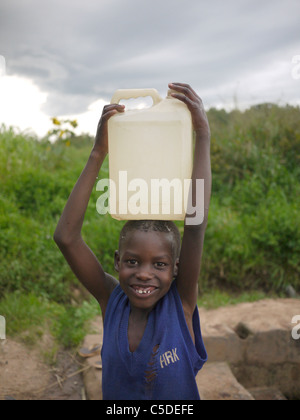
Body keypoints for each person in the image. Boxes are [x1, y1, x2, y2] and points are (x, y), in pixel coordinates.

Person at [54, 83, 212, 400]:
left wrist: (202, 136)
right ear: (116, 262)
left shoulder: (179, 305)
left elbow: (194, 225)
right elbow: (66, 238)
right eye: (132, 261)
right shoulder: (111, 301)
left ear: (177, 269)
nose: (143, 272)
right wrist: (99, 152)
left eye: (160, 264)